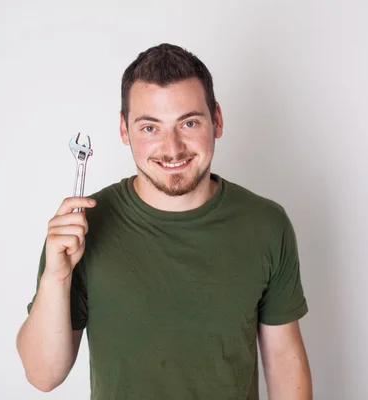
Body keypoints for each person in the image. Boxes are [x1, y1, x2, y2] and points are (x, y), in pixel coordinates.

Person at [16, 43, 312, 399]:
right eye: (150, 128)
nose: (172, 149)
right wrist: (56, 276)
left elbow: (283, 358)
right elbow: (42, 375)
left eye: (188, 123)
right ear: (124, 131)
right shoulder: (81, 228)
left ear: (216, 120)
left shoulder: (266, 224)